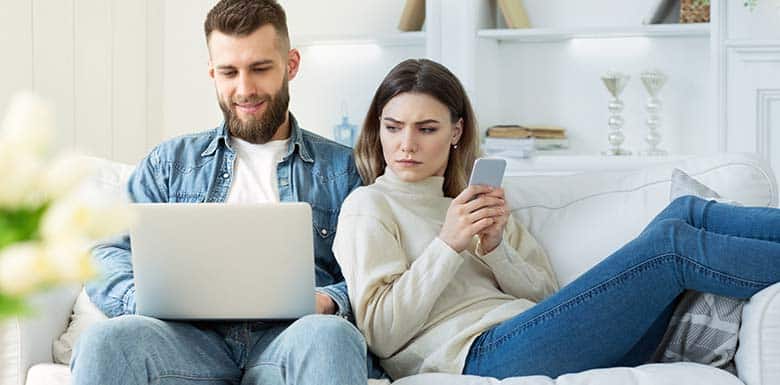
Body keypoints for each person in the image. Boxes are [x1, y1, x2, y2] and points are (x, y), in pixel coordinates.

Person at [333, 58, 780, 380]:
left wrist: (495, 248)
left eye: (426, 128)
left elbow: (544, 294)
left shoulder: (474, 200)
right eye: (393, 126)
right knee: (671, 247)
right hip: (478, 354)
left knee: (684, 213)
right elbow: (382, 334)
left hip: (534, 335)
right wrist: (447, 245)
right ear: (379, 127)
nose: (406, 143)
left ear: (456, 132)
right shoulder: (368, 207)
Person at [71, 1, 381, 384]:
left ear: (291, 64)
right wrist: (144, 302)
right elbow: (105, 254)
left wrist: (330, 299)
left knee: (332, 336)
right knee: (105, 341)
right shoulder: (169, 164)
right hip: (187, 341)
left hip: (291, 339)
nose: (244, 89)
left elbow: (374, 272)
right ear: (212, 73)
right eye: (229, 72)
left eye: (260, 68)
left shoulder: (344, 170)